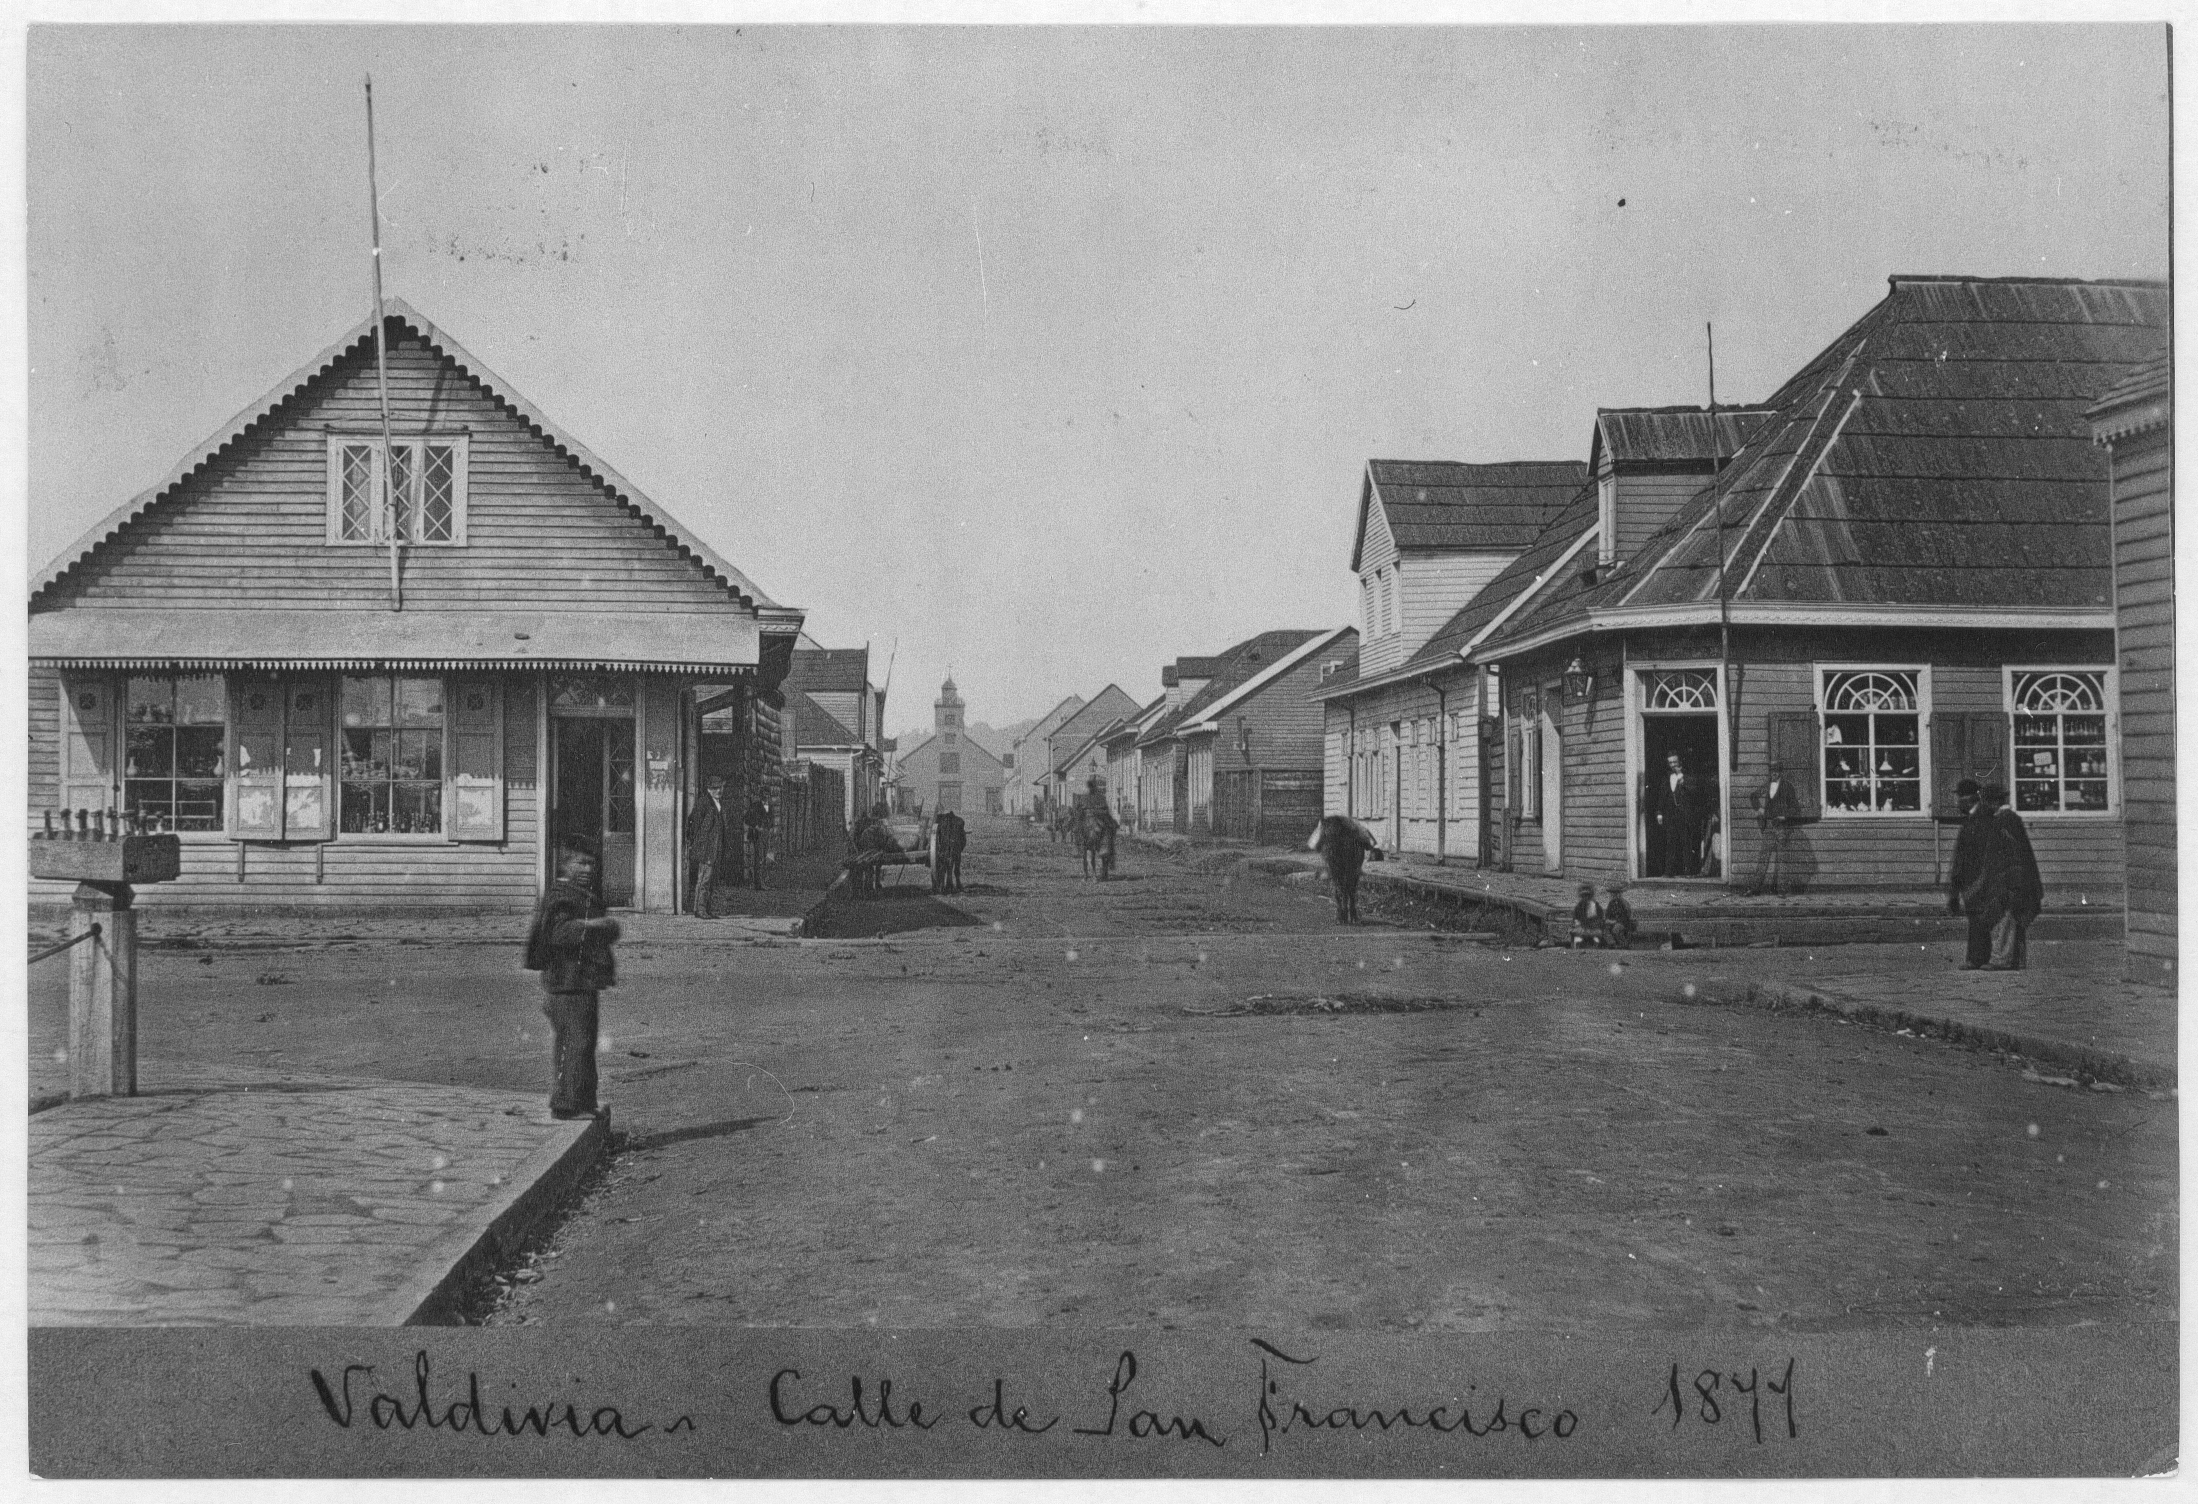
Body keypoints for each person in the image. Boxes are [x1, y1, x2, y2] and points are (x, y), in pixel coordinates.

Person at [523, 838, 620, 1121]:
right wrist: (597, 926)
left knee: (584, 1042)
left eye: (592, 863)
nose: (589, 868)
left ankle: (584, 1099)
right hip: (566, 984)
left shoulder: (579, 893)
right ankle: (566, 1104)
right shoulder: (562, 895)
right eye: (582, 863)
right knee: (574, 1043)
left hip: (580, 982)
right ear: (566, 865)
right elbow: (561, 933)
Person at [1983, 782, 2043, 971]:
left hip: (2013, 879)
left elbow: (2011, 853)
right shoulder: (2010, 819)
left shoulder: (2004, 820)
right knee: (2015, 920)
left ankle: (2001, 959)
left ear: (1991, 802)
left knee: (2007, 919)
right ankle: (2017, 960)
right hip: (2021, 878)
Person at [1944, 778, 1997, 970]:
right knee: (1976, 918)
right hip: (1971, 880)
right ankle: (1976, 958)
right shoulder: (1974, 819)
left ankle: (1978, 958)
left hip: (1978, 880)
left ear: (1969, 799)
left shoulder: (1980, 821)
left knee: (1979, 918)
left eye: (1959, 797)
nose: (1957, 802)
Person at [1643, 751, 1704, 877]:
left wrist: (1682, 778)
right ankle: (1669, 871)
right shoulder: (1666, 777)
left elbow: (1694, 792)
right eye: (1670, 762)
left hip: (1685, 814)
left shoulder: (1688, 776)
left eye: (1675, 762)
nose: (1672, 765)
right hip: (1670, 814)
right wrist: (1659, 812)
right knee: (1670, 842)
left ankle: (1689, 871)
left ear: (1680, 762)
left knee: (1686, 842)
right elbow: (1662, 795)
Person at [1745, 762, 1802, 896]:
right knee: (1763, 858)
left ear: (1781, 772)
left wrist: (1784, 816)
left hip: (1782, 827)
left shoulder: (1788, 787)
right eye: (1772, 771)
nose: (1774, 773)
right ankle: (1755, 888)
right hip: (1769, 827)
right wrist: (1759, 809)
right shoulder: (1767, 786)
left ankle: (1782, 890)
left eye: (1776, 771)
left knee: (1782, 860)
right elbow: (1753, 796)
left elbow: (1796, 809)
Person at [685, 775, 733, 919]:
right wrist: (697, 843)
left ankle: (707, 909)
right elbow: (693, 824)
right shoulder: (704, 803)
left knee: (711, 881)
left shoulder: (719, 804)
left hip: (716, 848)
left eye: (720, 787)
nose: (719, 790)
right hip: (706, 848)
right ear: (709, 789)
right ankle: (699, 909)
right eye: (715, 788)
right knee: (704, 880)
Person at [742, 792, 772, 890]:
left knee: (765, 858)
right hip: (757, 835)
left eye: (768, 795)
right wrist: (756, 827)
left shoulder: (769, 806)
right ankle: (758, 883)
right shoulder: (756, 805)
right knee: (758, 859)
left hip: (766, 835)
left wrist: (768, 828)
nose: (766, 797)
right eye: (765, 795)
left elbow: (771, 819)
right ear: (761, 796)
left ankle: (763, 882)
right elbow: (747, 818)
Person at [1569, 883, 1608, 948]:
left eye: (1587, 896)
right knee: (1574, 932)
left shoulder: (1595, 906)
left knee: (1596, 934)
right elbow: (1576, 918)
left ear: (1590, 896)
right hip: (1582, 928)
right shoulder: (1579, 906)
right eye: (1583, 896)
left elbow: (1600, 919)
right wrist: (1578, 923)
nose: (1585, 898)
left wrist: (1592, 925)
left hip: (1594, 928)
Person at [1604, 884, 1637, 950]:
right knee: (1604, 929)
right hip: (1613, 922)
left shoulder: (1624, 903)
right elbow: (1608, 915)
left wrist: (1615, 921)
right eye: (1612, 893)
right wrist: (1608, 920)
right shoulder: (1611, 903)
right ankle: (1612, 944)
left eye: (1615, 893)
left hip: (1625, 923)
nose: (1612, 895)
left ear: (1619, 894)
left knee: (1616, 929)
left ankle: (1624, 944)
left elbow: (1626, 917)